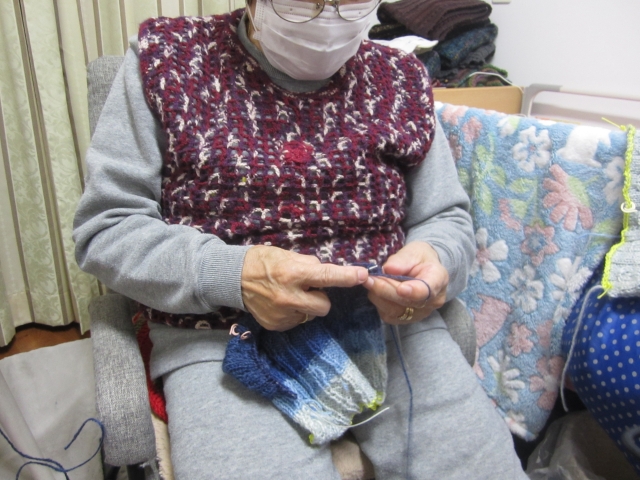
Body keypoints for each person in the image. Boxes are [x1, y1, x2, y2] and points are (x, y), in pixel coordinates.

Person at [73, 0, 528, 478]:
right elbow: (107, 227)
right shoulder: (168, 59)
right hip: (223, 337)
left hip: (390, 329)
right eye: (303, 4)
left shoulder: (402, 78)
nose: (327, 20)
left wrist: (435, 258)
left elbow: (446, 217)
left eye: (349, 4)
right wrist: (233, 274)